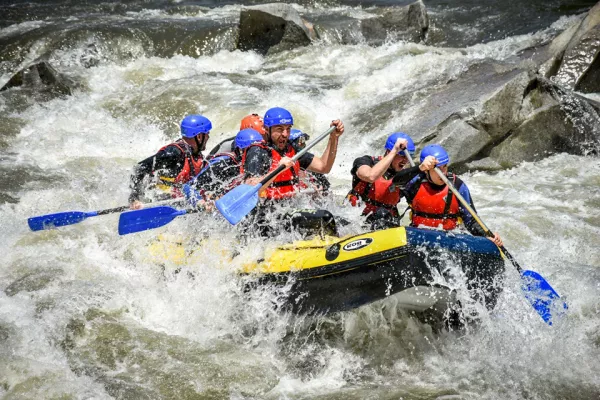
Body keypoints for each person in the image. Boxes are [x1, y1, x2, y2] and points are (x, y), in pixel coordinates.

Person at [239, 107, 344, 236]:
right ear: (267, 129)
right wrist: (278, 168)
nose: (285, 134)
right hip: (265, 217)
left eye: (288, 129)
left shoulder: (292, 149)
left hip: (288, 210)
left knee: (340, 221)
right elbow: (250, 187)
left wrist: (333, 138)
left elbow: (324, 167)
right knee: (325, 218)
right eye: (279, 129)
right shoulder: (257, 151)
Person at [404, 144, 503, 246]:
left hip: (449, 239)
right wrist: (418, 168)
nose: (443, 172)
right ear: (426, 170)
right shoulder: (414, 184)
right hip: (419, 238)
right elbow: (395, 183)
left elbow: (471, 221)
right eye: (437, 168)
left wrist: (488, 238)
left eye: (445, 166)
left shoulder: (457, 186)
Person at [348, 132, 430, 229]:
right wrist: (395, 150)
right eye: (402, 155)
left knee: (383, 215)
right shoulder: (366, 161)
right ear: (388, 151)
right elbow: (370, 176)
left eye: (408, 156)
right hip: (355, 221)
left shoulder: (406, 177)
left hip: (386, 223)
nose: (405, 160)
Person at [129, 115, 211, 210]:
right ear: (199, 136)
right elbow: (139, 168)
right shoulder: (173, 154)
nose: (208, 137)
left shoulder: (196, 155)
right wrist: (134, 198)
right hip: (158, 197)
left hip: (180, 197)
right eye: (207, 133)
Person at [191, 128, 263, 199]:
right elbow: (191, 187)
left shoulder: (257, 164)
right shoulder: (224, 165)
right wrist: (200, 202)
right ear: (240, 150)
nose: (257, 155)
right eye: (252, 150)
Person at [289, 128, 331, 197]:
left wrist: (319, 190)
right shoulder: (284, 167)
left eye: (303, 142)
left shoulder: (311, 166)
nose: (302, 144)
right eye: (301, 141)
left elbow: (327, 189)